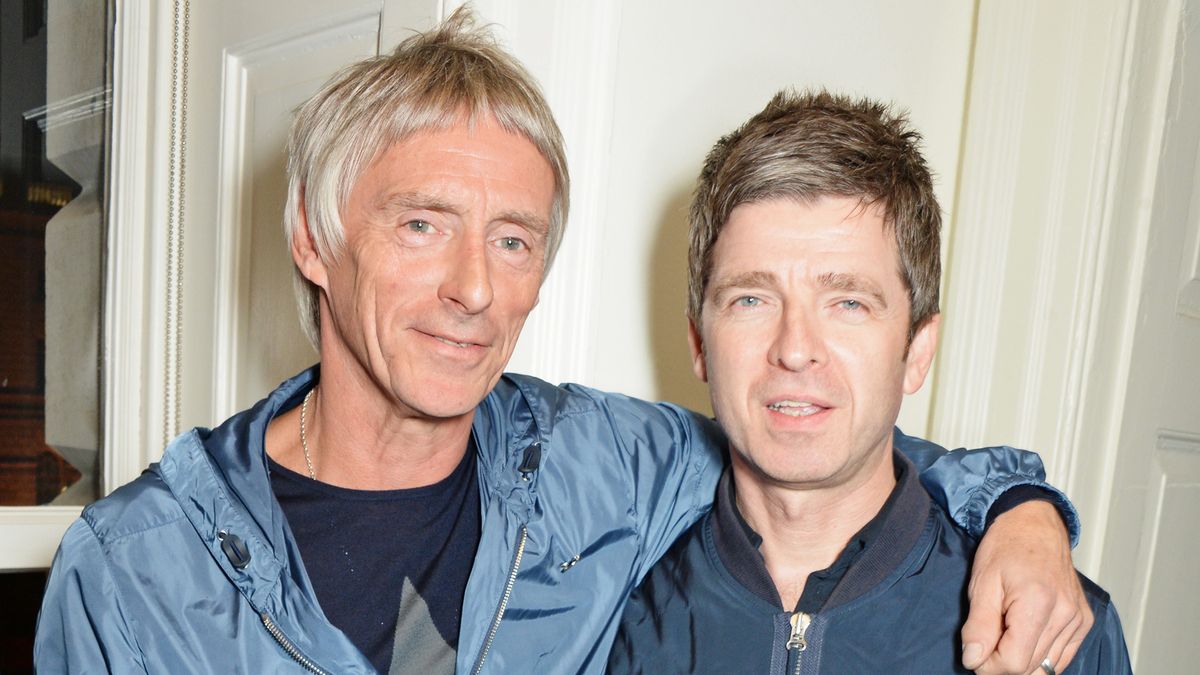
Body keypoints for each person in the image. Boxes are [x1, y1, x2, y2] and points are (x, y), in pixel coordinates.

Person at [36, 10, 1087, 674]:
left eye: (514, 239)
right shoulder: (135, 568)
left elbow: (827, 438)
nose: (474, 289)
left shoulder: (605, 471)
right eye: (420, 225)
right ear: (315, 237)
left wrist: (1023, 511)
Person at [607, 90, 1130, 675]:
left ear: (917, 350)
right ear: (701, 344)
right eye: (751, 298)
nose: (796, 349)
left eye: (848, 302)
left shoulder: (1046, 630)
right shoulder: (608, 606)